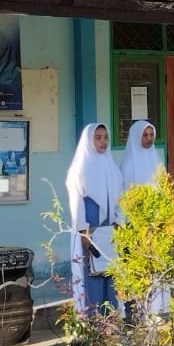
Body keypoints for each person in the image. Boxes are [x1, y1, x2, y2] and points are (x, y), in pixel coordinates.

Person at [64, 123, 123, 316]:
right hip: (91, 231)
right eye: (98, 138)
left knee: (112, 276)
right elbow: (77, 202)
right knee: (93, 278)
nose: (103, 142)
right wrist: (83, 230)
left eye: (105, 137)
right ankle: (94, 322)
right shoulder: (80, 168)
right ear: (89, 140)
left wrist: (120, 223)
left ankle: (112, 320)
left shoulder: (112, 167)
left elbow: (121, 199)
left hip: (111, 232)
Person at [120, 119, 169, 314]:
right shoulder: (128, 163)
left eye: (151, 135)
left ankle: (159, 308)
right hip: (137, 223)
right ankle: (142, 308)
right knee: (141, 265)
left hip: (156, 221)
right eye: (145, 135)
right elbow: (125, 195)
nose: (149, 139)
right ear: (136, 136)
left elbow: (164, 187)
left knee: (157, 265)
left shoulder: (156, 159)